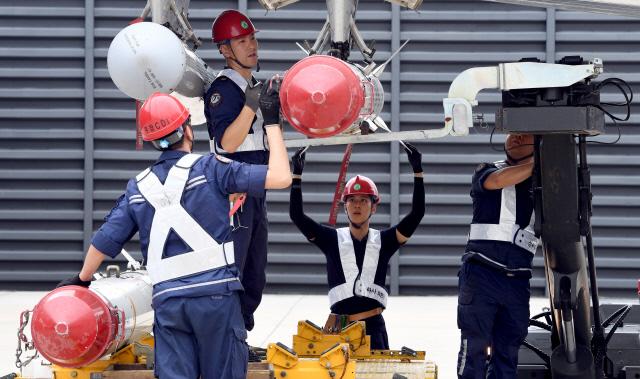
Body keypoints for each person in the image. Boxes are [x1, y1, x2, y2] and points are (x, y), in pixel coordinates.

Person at [57, 85, 290, 378]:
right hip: (216, 300)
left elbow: (105, 240)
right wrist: (271, 122)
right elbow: (281, 177)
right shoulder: (212, 169)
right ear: (188, 130)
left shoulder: (138, 188)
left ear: (152, 141)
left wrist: (82, 279)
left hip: (170, 304)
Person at [288, 143, 425, 349]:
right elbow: (296, 216)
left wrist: (417, 171)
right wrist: (296, 175)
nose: (357, 205)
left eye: (363, 200)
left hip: (374, 329)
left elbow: (417, 214)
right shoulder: (331, 239)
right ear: (345, 206)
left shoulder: (385, 241)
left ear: (374, 207)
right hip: (338, 331)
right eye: (352, 200)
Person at [204, 9, 269, 332]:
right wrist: (252, 104)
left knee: (255, 272)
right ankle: (228, 336)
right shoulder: (224, 90)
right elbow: (227, 142)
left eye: (253, 38)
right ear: (225, 50)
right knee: (234, 269)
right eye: (242, 41)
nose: (251, 45)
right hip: (234, 197)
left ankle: (239, 335)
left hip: (256, 194)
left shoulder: (253, 85)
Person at [456, 133, 537, 379]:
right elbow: (498, 181)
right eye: (512, 135)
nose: (516, 138)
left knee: (508, 354)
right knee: (475, 349)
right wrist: (542, 161)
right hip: (482, 273)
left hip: (517, 279)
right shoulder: (487, 170)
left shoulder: (546, 180)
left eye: (524, 135)